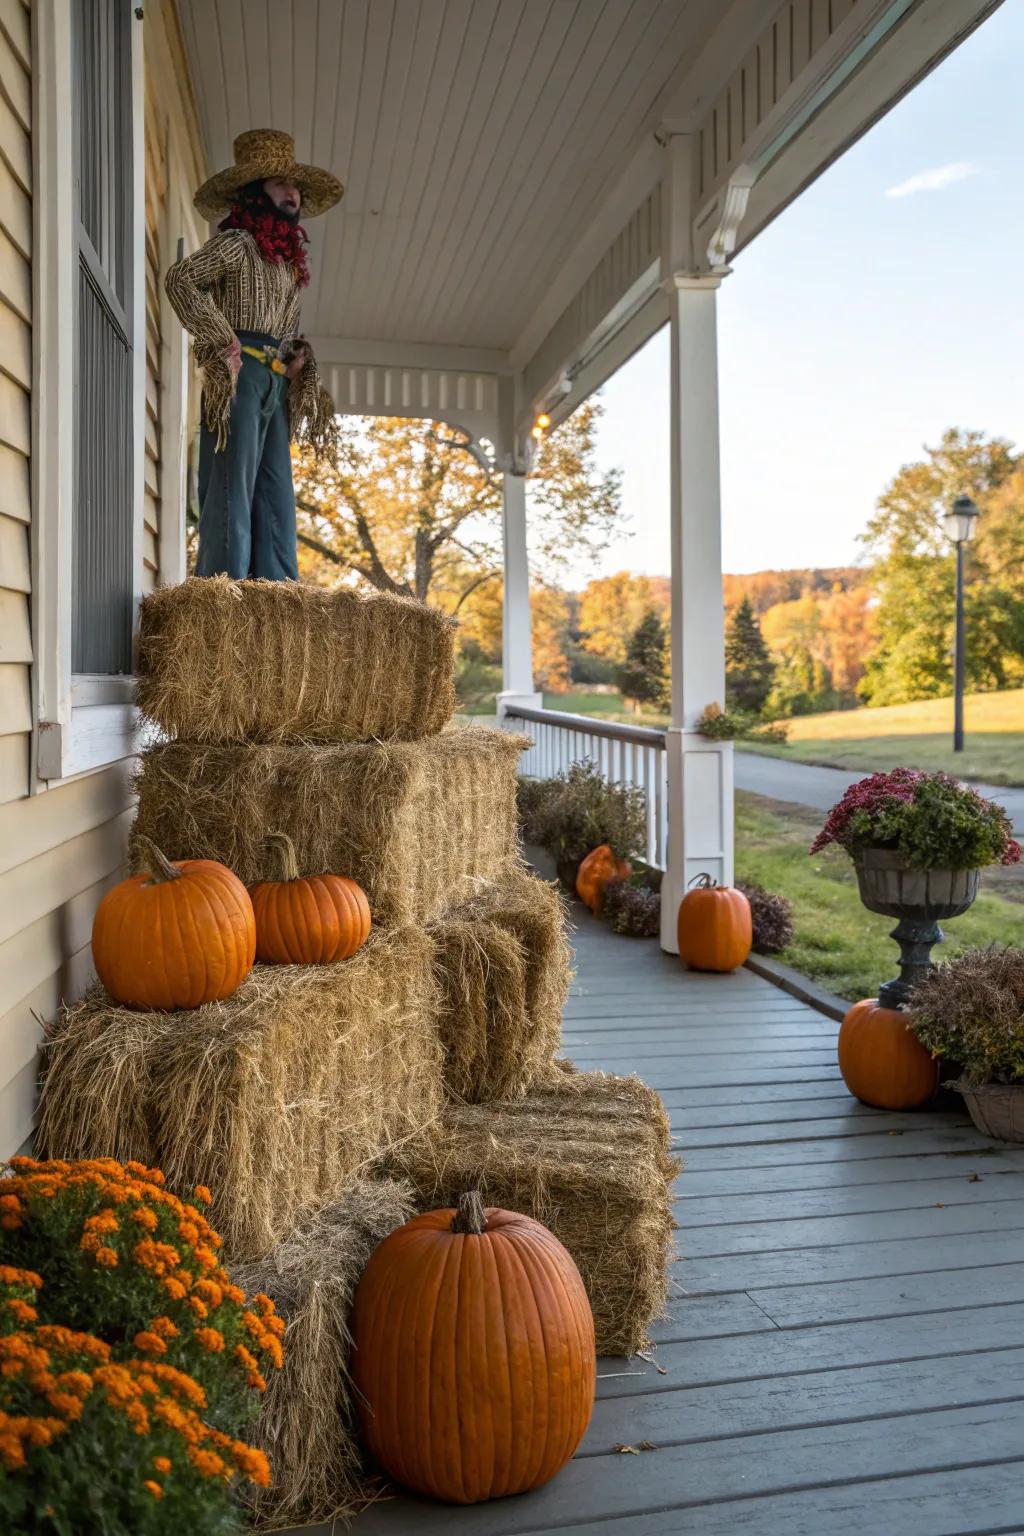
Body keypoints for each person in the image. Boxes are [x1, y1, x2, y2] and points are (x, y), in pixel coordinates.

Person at [165, 130, 344, 580]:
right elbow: (181, 279)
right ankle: (223, 592)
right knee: (232, 491)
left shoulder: (287, 265)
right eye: (280, 184)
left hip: (274, 382)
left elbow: (282, 331)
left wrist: (293, 363)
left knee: (276, 497)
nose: (292, 193)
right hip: (237, 376)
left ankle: (277, 596)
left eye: (296, 186)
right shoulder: (236, 245)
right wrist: (218, 338)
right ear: (254, 193)